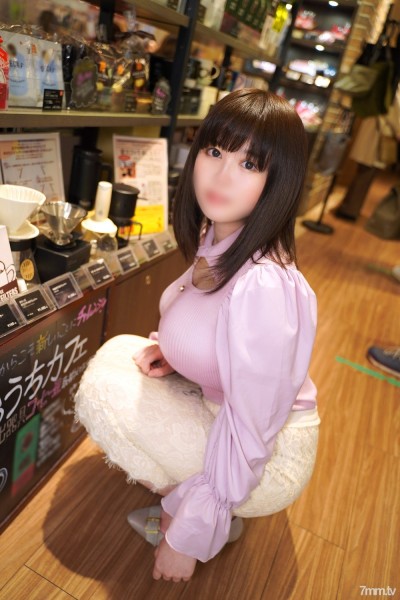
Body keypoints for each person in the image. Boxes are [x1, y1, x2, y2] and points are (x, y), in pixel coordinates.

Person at [75, 88, 320, 583]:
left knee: (104, 395)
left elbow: (254, 425)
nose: (221, 175)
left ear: (279, 180)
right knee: (120, 359)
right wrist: (178, 353)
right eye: (214, 151)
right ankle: (192, 495)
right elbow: (213, 326)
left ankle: (213, 515)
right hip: (228, 410)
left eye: (249, 164)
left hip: (270, 451)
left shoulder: (266, 284)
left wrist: (186, 535)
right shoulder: (221, 232)